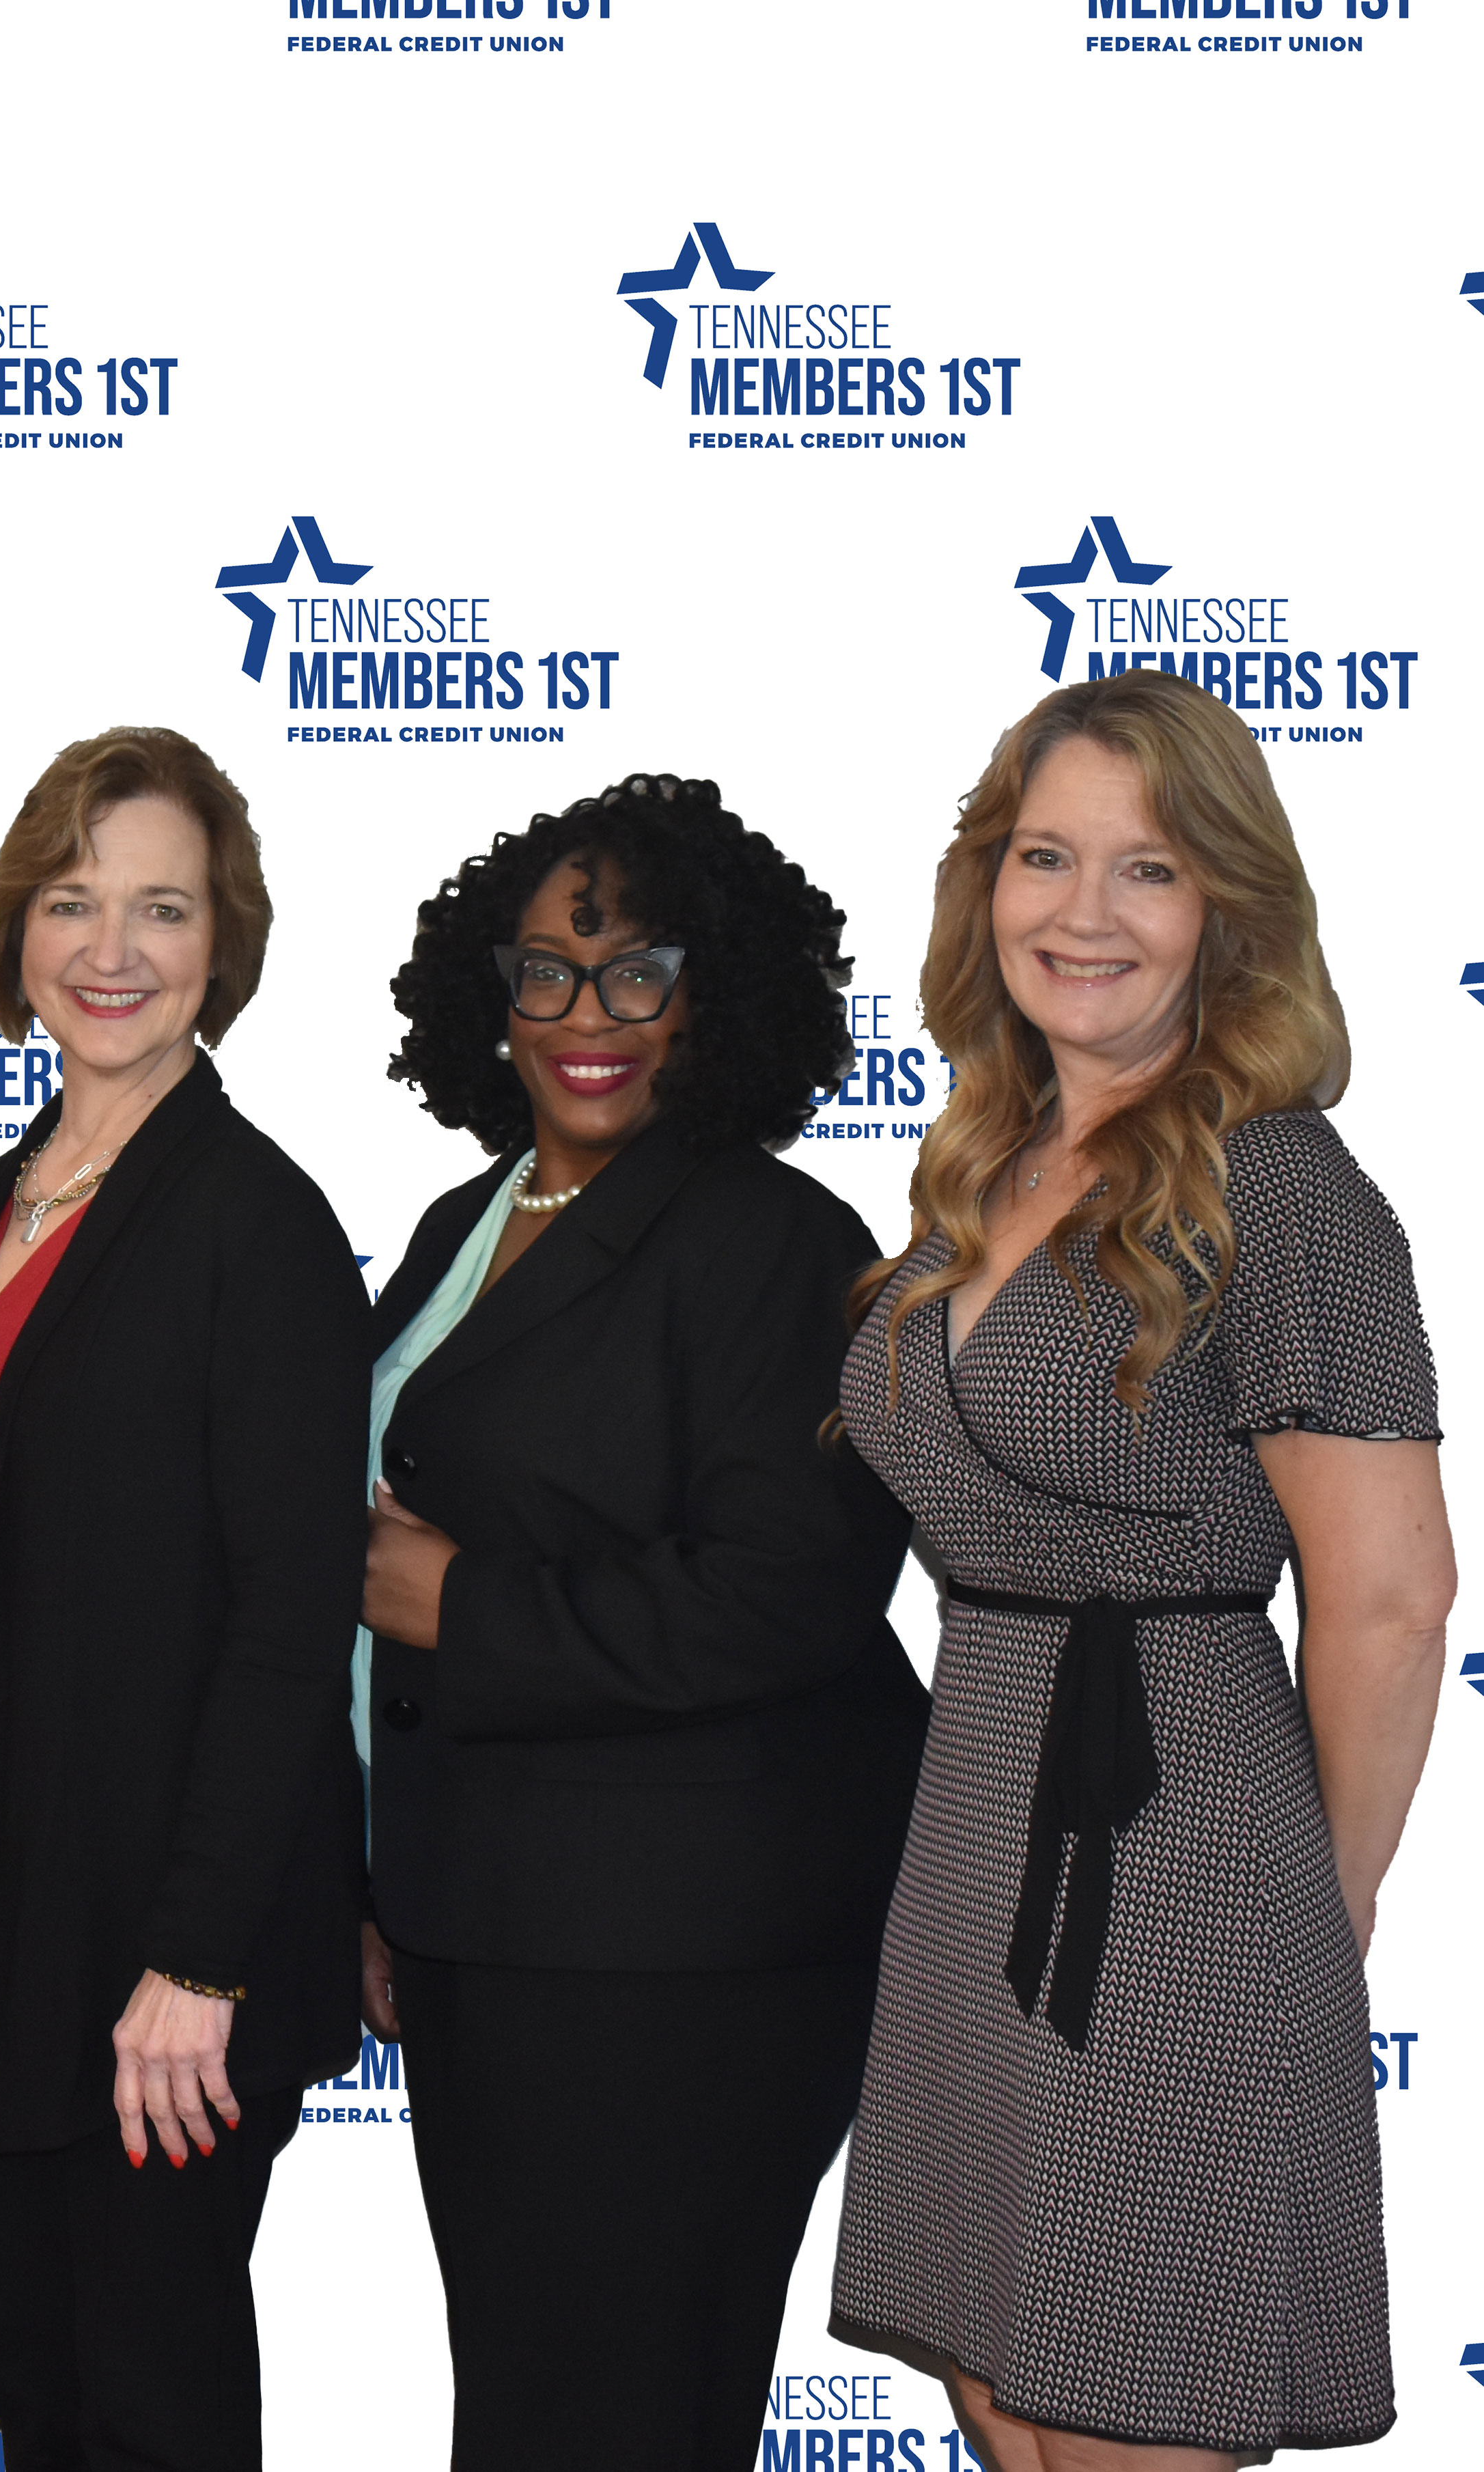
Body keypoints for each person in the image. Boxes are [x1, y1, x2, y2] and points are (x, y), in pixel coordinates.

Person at [828, 674, 1451, 2472]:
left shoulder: (1285, 1183)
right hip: (970, 1845)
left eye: (1145, 869)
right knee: (1004, 2405)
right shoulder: (984, 1159)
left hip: (1180, 1855)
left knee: (1125, 2414)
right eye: (1041, 857)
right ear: (984, 886)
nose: (1078, 913)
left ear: (1227, 912)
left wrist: (1300, 1927)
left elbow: (1391, 1596)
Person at [356, 775, 932, 2472]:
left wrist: (456, 1601)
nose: (581, 1016)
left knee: (612, 2417)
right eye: (540, 971)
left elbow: (789, 1593)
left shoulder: (777, 1243)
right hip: (487, 1922)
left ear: (717, 997)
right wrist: (374, 1873)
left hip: (683, 1955)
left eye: (634, 972)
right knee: (532, 2403)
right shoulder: (464, 1224)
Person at [0, 728, 367, 2469]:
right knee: (38, 2392)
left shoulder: (255, 1223)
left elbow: (292, 1613)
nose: (108, 949)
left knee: (153, 2404)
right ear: (14, 934)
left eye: (159, 907)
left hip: (155, 1952)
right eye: (69, 900)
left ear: (225, 944)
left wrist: (193, 1961)